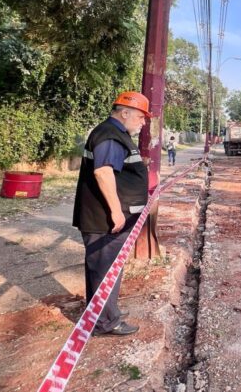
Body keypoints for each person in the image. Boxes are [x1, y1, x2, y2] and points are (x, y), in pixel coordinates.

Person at [72, 91, 152, 336]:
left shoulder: (117, 134)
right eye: (140, 116)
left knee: (107, 268)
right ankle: (105, 322)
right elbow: (103, 173)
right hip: (104, 220)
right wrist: (117, 212)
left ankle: (104, 311)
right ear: (124, 112)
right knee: (104, 268)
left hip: (106, 218)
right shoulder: (110, 135)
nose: (143, 122)